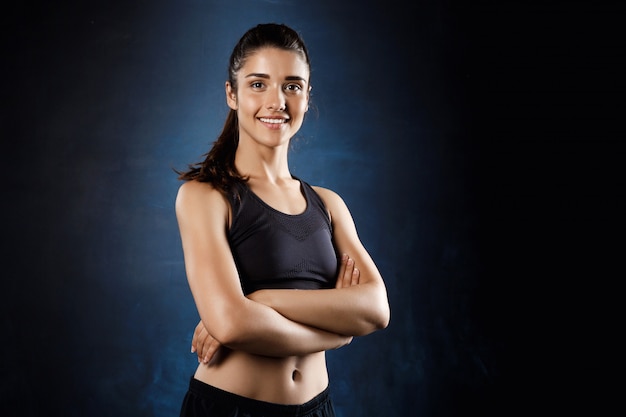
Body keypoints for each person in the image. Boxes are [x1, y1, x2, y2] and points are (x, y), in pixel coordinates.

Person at [174, 23, 390, 417]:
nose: (277, 101)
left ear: (307, 97)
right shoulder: (204, 196)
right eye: (259, 84)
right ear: (232, 95)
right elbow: (232, 324)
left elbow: (376, 308)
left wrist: (261, 300)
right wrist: (338, 335)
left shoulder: (328, 204)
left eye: (292, 86)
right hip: (231, 409)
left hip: (317, 408)